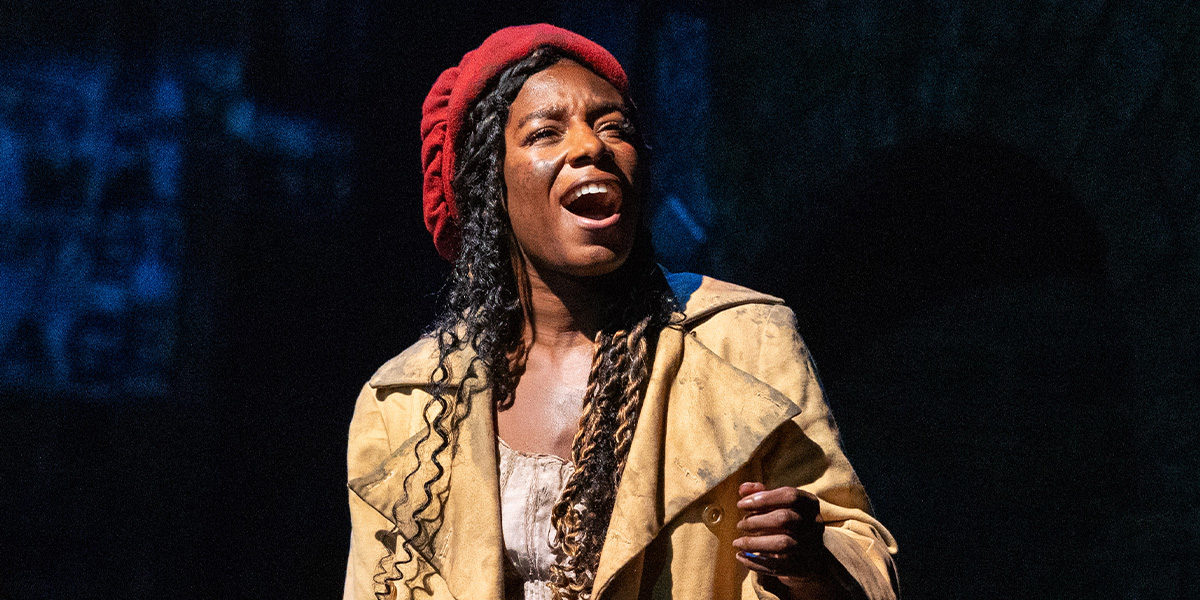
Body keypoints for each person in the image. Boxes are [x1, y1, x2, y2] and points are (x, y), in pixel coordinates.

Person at [344, 24, 898, 600]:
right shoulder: (407, 402)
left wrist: (809, 567)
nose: (592, 147)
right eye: (545, 133)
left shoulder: (743, 343)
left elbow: (864, 562)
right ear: (489, 186)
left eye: (615, 127)